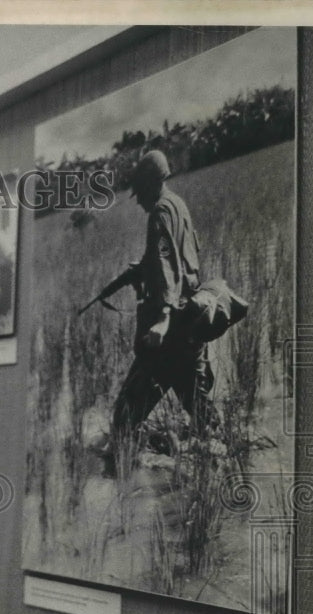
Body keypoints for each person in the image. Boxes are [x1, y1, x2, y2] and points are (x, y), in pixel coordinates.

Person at [107, 149, 219, 474]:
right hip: (192, 324)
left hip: (169, 333)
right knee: (200, 410)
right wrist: (142, 269)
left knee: (124, 417)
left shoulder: (158, 213)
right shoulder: (177, 205)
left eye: (140, 192)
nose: (139, 200)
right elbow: (175, 257)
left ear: (152, 183)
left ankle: (136, 466)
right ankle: (223, 457)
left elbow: (169, 266)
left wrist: (163, 318)